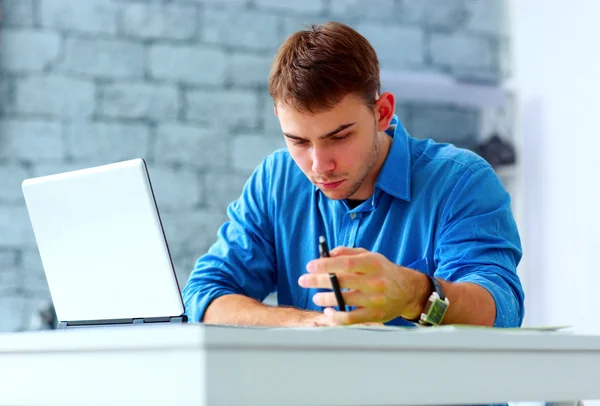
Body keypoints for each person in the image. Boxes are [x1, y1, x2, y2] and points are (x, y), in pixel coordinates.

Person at [182, 22, 524, 328]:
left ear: (383, 113)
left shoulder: (460, 181)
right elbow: (204, 295)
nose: (319, 165)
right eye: (298, 141)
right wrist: (309, 325)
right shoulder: (276, 180)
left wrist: (415, 295)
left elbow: (502, 309)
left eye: (339, 137)